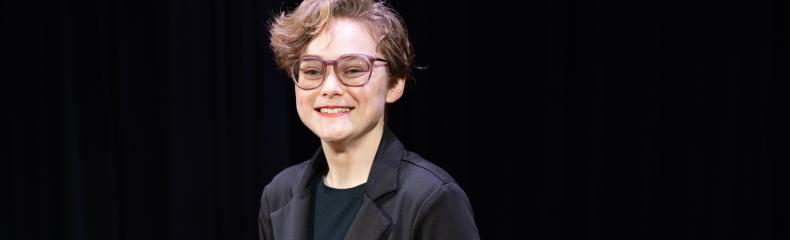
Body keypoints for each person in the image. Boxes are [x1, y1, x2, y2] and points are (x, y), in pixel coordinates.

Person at [258, 0, 479, 239]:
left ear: (394, 84)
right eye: (312, 71)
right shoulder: (279, 194)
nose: (330, 88)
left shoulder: (431, 198)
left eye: (353, 70)